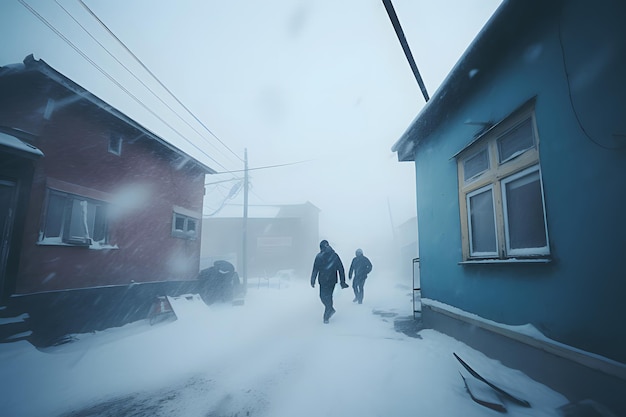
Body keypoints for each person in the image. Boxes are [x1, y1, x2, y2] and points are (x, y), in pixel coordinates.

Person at [310, 240, 348, 323]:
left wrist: (342, 281)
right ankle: (330, 309)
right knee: (323, 297)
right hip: (326, 280)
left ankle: (326, 316)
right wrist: (313, 279)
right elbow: (315, 269)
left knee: (326, 297)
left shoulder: (332, 256)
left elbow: (340, 269)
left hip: (328, 280)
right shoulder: (321, 256)